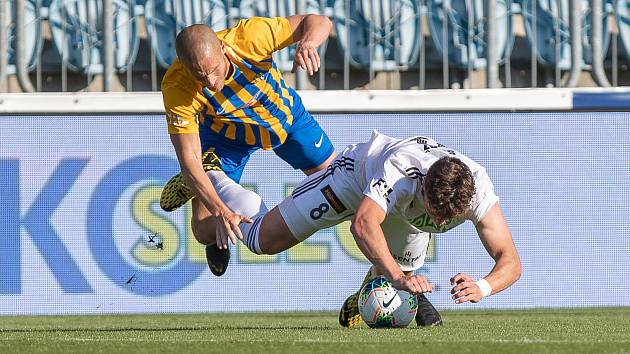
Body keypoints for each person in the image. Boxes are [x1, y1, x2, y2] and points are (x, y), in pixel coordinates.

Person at [179, 130, 522, 328]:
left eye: (450, 218)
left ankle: (369, 293)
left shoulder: (478, 188)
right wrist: (398, 279)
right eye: (436, 213)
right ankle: (210, 175)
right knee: (260, 241)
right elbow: (363, 225)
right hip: (350, 181)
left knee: (398, 269)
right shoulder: (400, 172)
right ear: (423, 188)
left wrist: (482, 286)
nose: (442, 224)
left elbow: (511, 260)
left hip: (402, 211)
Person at [159, 15, 337, 276]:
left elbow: (319, 20)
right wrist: (222, 212)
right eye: (200, 75)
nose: (210, 82)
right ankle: (199, 180)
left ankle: (387, 274)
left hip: (284, 120)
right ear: (184, 67)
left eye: (213, 70)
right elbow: (189, 158)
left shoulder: (250, 37)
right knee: (201, 229)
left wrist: (308, 43)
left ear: (222, 48)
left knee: (339, 183)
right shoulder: (177, 85)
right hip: (226, 137)